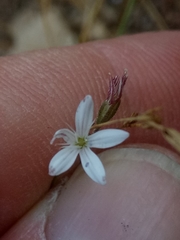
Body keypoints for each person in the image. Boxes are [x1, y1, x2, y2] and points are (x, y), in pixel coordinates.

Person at [1, 31, 180, 239]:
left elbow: (89, 115)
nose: (81, 139)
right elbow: (57, 164)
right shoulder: (75, 142)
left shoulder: (88, 137)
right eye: (80, 138)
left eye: (82, 138)